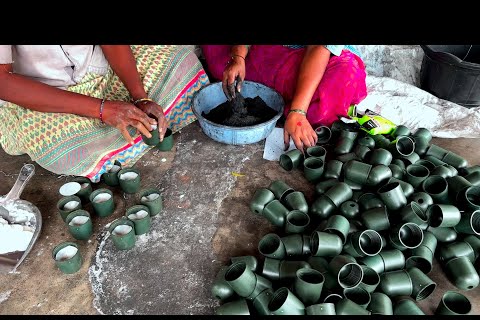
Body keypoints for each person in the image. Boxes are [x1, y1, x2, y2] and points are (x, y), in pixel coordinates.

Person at [0, 45, 209, 182]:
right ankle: (124, 134)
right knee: (57, 149)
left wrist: (139, 96)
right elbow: (3, 82)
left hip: (101, 73)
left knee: (181, 61)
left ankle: (115, 141)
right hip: (47, 95)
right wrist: (103, 109)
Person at [201, 45, 368, 151]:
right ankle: (287, 103)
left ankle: (293, 109)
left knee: (344, 76)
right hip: (271, 51)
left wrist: (298, 112)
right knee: (218, 58)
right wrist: (238, 57)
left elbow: (319, 48)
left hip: (315, 56)